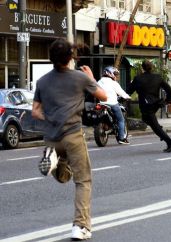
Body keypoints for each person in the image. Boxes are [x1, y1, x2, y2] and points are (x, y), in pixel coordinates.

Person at [32, 38, 107, 240]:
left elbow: (35, 112)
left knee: (63, 176)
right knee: (83, 180)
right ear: (70, 57)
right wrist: (91, 77)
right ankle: (80, 226)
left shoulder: (42, 81)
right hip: (73, 134)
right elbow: (104, 96)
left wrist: (51, 118)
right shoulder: (79, 78)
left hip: (51, 138)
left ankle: (54, 160)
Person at [129, 60, 171, 152]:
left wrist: (123, 96)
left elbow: (129, 90)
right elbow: (168, 89)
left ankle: (170, 143)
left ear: (142, 68)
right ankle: (159, 129)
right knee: (146, 119)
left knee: (153, 125)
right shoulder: (157, 77)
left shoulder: (138, 78)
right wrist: (168, 100)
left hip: (146, 105)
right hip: (156, 103)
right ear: (152, 67)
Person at [97, 66, 131, 144]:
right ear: (110, 73)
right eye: (115, 74)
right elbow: (121, 92)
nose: (116, 76)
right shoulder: (113, 83)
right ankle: (121, 139)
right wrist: (128, 97)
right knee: (121, 120)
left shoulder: (99, 81)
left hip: (101, 103)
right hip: (112, 103)